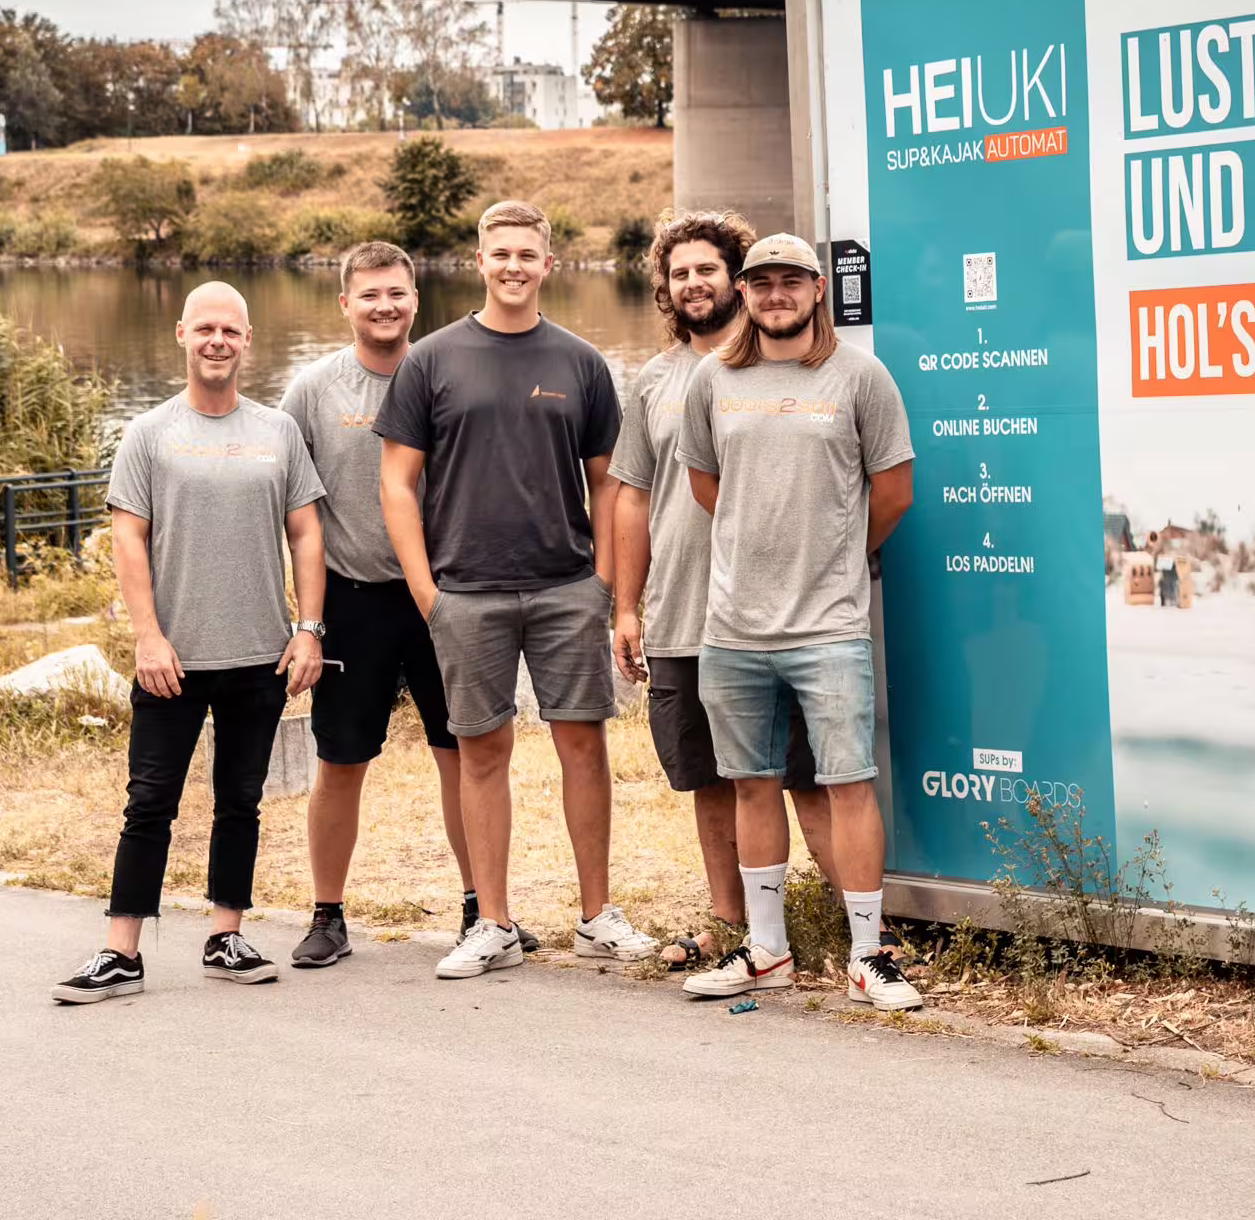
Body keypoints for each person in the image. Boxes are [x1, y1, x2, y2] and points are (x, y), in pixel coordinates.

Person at [376, 199, 656, 979]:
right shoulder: (431, 361)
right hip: (466, 592)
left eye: (526, 255)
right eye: (500, 253)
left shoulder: (581, 362)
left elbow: (609, 484)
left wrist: (604, 584)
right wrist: (427, 592)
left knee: (583, 745)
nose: (512, 266)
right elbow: (396, 483)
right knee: (481, 752)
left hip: (566, 588)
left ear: (547, 264)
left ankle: (597, 917)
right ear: (480, 261)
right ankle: (493, 923)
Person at [52, 281, 326, 1004]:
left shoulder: (278, 432)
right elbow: (128, 540)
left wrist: (308, 630)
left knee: (241, 801)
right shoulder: (148, 434)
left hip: (259, 654)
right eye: (205, 329)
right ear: (181, 334)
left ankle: (225, 937)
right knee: (149, 803)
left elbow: (306, 533)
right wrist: (147, 636)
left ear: (247, 339)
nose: (217, 342)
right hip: (170, 659)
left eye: (230, 331)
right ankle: (121, 953)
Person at [675, 234, 923, 1010]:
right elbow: (707, 485)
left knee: (848, 785)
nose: (775, 294)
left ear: (819, 289)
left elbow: (894, 491)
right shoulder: (713, 378)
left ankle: (868, 956)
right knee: (752, 786)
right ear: (743, 293)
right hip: (733, 628)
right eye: (761, 283)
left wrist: (835, 553)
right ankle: (767, 951)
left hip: (829, 626)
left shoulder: (860, 376)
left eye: (791, 281)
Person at [278, 242, 536, 965]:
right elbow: (294, 512)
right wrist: (304, 622)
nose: (385, 306)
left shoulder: (452, 371)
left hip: (447, 599)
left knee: (464, 756)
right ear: (345, 304)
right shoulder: (314, 391)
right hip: (352, 602)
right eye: (370, 295)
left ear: (416, 300)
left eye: (397, 293)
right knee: (341, 760)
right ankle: (327, 914)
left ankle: (483, 912)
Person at [610, 210, 840, 971]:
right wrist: (626, 607)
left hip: (779, 613)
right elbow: (632, 496)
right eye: (679, 273)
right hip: (683, 613)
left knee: (807, 776)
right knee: (711, 779)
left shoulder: (790, 364)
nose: (692, 283)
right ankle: (731, 923)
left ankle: (853, 925)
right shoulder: (656, 380)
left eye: (706, 268)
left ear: (736, 278)